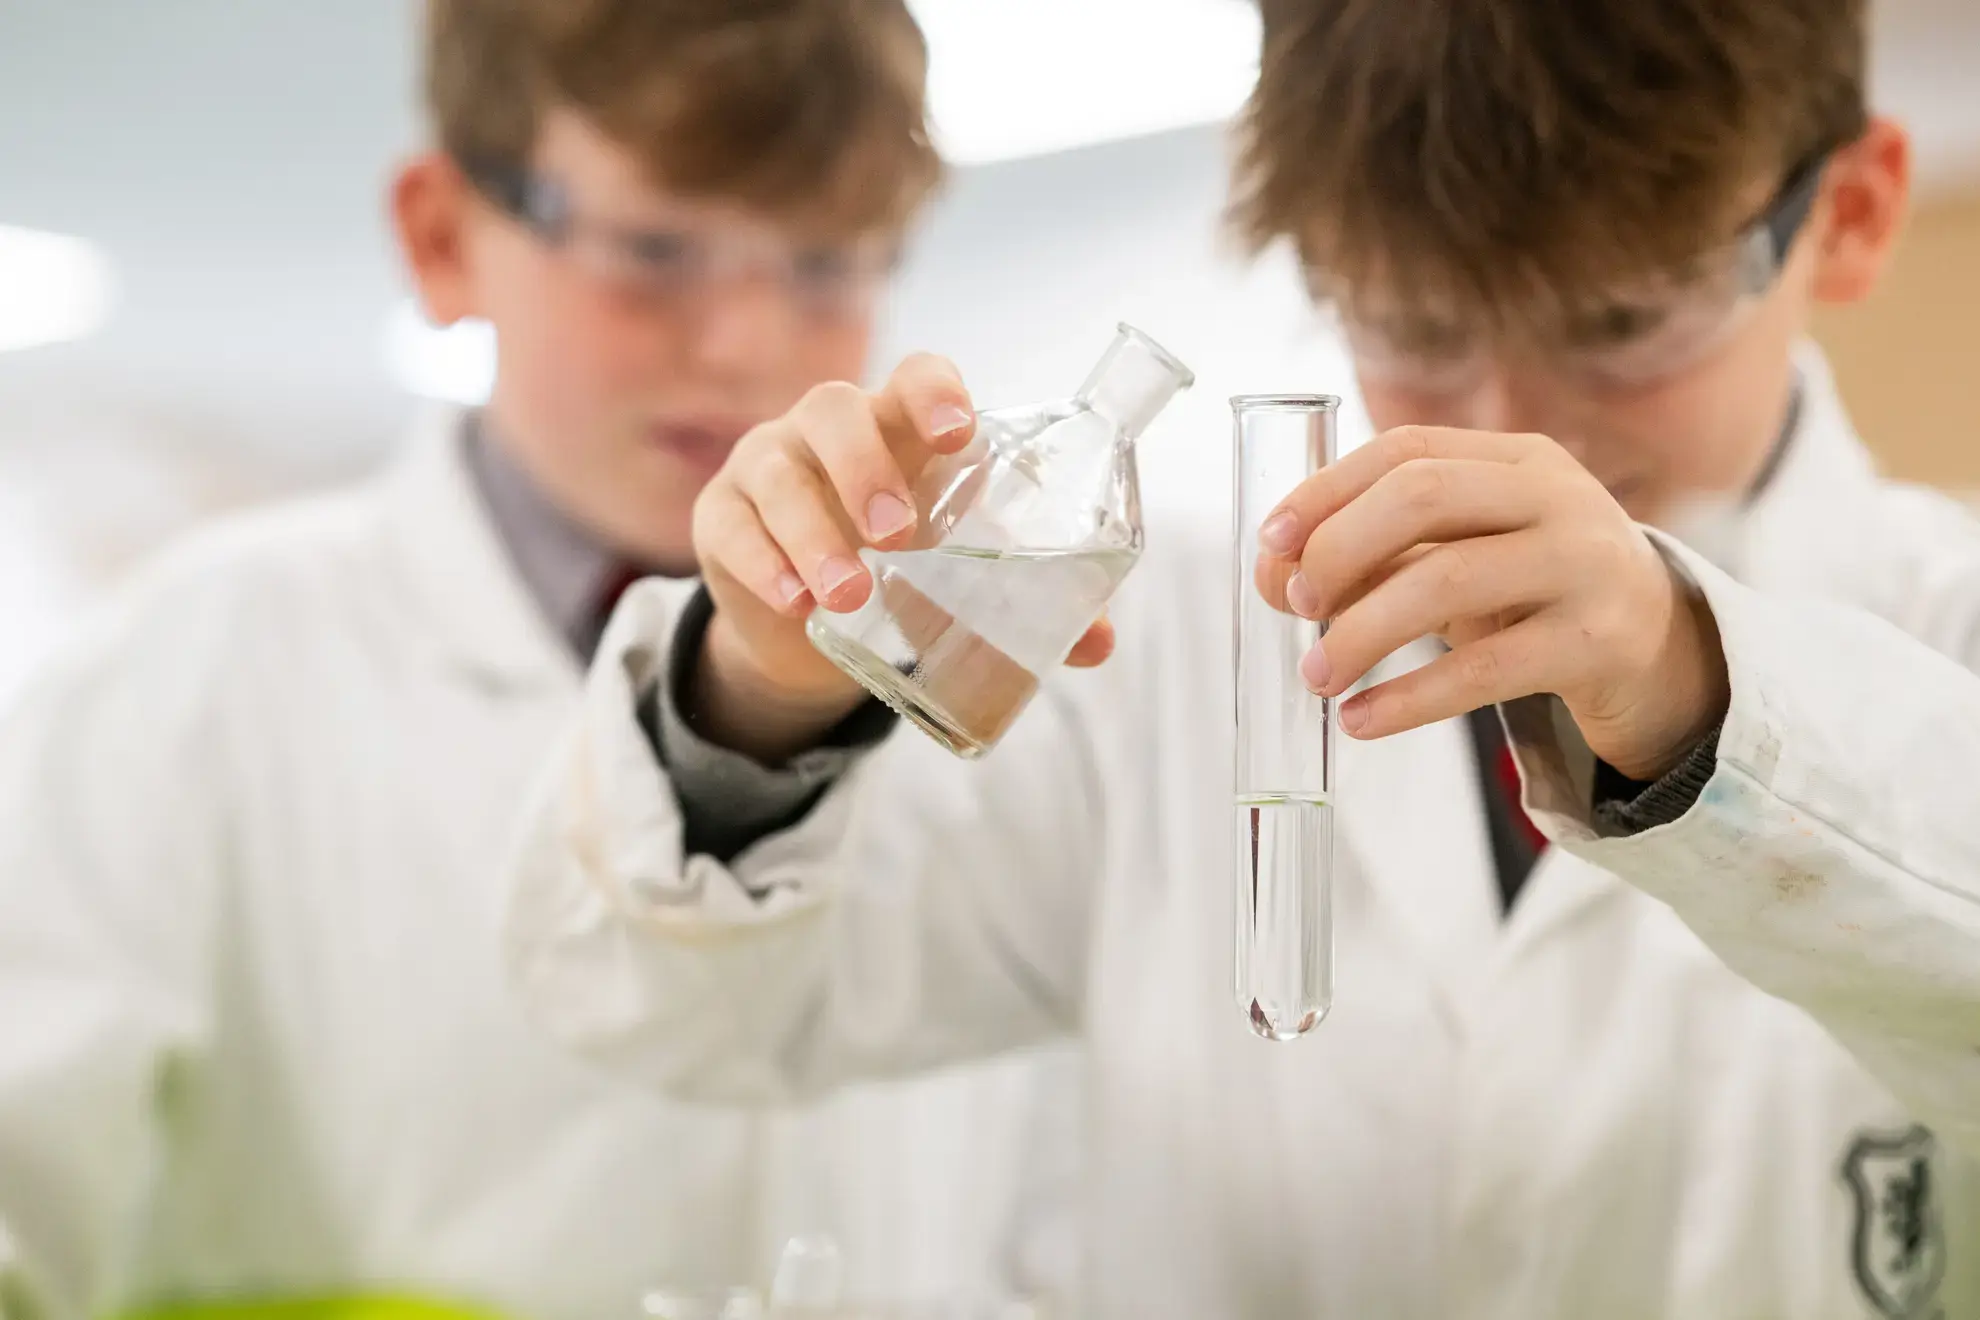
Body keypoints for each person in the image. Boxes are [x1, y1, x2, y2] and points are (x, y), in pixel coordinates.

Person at [504, 0, 1980, 1316]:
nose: (1517, 423)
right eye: (1411, 322)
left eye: (1621, 324)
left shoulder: (1947, 623)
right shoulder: (1154, 651)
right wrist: (763, 693)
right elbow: (671, 1014)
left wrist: (1701, 703)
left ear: (1847, 216)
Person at [0, 3, 1076, 1317]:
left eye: (827, 262)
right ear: (443, 237)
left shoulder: (982, 688)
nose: (744, 345)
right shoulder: (193, 671)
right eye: (657, 248)